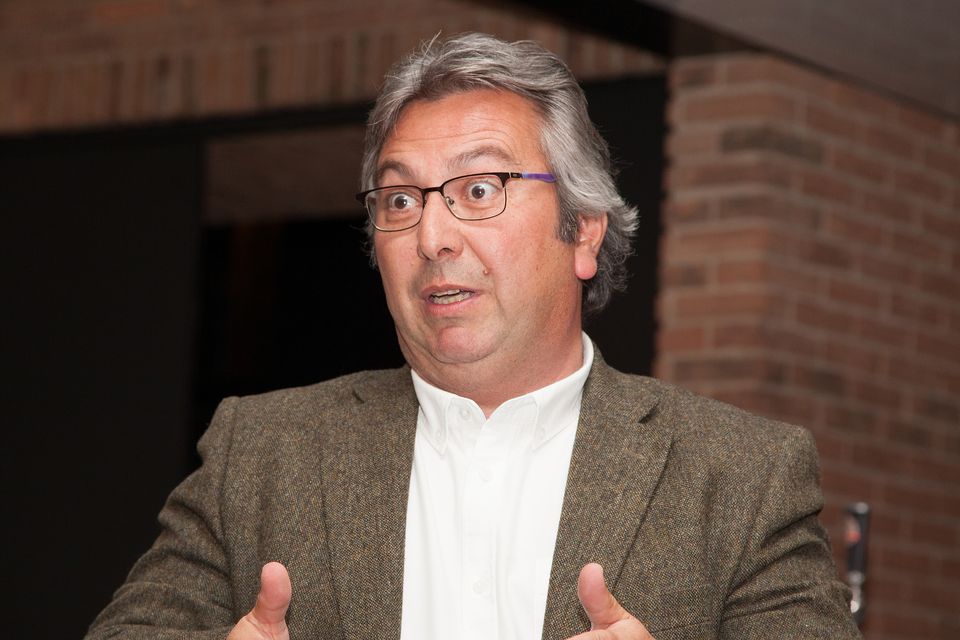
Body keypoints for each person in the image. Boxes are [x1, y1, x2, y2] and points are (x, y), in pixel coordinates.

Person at [86, 33, 861, 640]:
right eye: (399, 201)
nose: (432, 236)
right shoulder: (262, 453)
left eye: (480, 189)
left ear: (584, 230)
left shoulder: (741, 476)